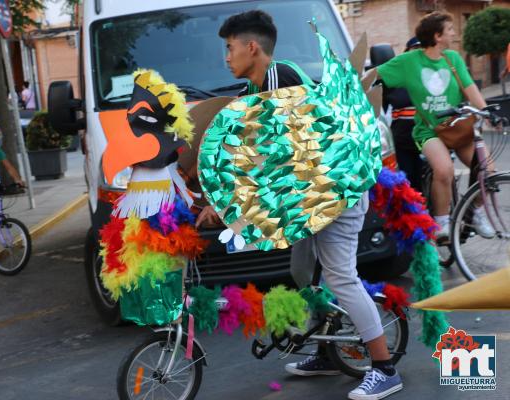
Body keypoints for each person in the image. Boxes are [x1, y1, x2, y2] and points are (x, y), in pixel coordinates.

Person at [197, 10, 403, 400]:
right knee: (302, 269)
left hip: (336, 191)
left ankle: (384, 368)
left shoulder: (282, 80)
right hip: (310, 198)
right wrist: (214, 197)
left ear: (252, 47)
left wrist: (237, 208)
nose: (226, 58)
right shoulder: (251, 94)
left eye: (229, 48)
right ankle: (328, 351)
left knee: (340, 275)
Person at [377, 11, 494, 242]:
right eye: (449, 29)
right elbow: (375, 74)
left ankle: (476, 214)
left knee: (488, 170)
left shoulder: (452, 58)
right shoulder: (409, 61)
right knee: (444, 170)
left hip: (456, 126)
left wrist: (486, 112)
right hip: (428, 131)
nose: (454, 33)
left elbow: (469, 88)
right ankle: (441, 223)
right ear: (437, 35)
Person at [382, 37, 423, 191]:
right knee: (408, 185)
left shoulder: (434, 76)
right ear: (406, 53)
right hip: (403, 142)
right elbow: (379, 108)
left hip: (430, 139)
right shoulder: (393, 79)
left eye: (422, 48)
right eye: (415, 48)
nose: (418, 52)